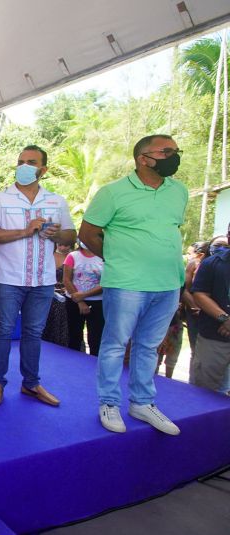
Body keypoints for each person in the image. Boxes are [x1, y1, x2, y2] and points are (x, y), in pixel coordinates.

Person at [80, 134, 187, 436]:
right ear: (143, 158)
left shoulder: (178, 191)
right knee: (115, 345)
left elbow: (167, 231)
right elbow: (88, 233)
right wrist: (117, 258)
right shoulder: (113, 193)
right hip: (126, 283)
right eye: (166, 151)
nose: (173, 156)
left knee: (148, 346)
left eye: (176, 150)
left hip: (168, 283)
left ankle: (141, 402)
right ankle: (109, 402)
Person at [0, 145, 75, 408]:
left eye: (31, 162)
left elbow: (71, 235)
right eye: (21, 161)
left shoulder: (56, 201)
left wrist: (56, 234)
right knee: (3, 331)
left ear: (43, 169)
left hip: (43, 278)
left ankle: (31, 384)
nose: (24, 166)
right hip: (9, 277)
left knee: (34, 333)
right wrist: (26, 231)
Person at [191, 226, 230, 392]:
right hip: (214, 338)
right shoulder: (212, 263)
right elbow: (200, 295)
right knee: (204, 391)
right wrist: (225, 319)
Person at [62, 241, 105, 355]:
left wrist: (85, 295)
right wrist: (80, 301)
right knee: (74, 335)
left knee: (95, 338)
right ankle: (74, 363)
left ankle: (94, 365)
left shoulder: (104, 257)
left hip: (97, 302)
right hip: (74, 301)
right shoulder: (73, 256)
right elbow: (66, 279)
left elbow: (106, 283)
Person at [183, 241, 210, 367]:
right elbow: (184, 289)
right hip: (195, 313)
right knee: (196, 350)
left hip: (216, 316)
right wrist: (197, 306)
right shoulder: (193, 264)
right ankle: (194, 382)